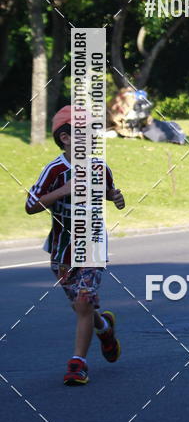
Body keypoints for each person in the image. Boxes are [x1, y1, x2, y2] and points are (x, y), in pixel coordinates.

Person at [25, 106, 126, 385]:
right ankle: (104, 329)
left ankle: (77, 364)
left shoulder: (99, 166)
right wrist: (62, 191)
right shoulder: (55, 170)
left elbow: (107, 189)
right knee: (82, 307)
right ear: (66, 138)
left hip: (92, 244)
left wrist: (115, 197)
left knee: (83, 302)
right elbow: (31, 205)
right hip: (62, 250)